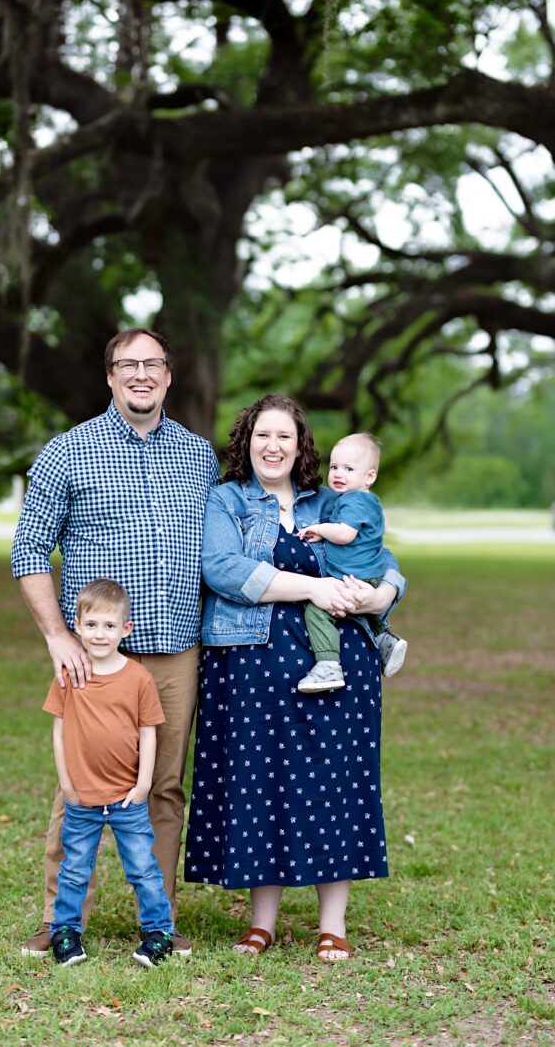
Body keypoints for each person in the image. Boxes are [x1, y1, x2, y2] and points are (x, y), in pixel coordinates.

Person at [12, 327, 220, 958]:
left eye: (152, 364)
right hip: (98, 657)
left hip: (178, 650)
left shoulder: (200, 456)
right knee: (78, 782)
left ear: (168, 375)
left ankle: (157, 921)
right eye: (127, 364)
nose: (140, 375)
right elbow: (28, 550)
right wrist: (56, 636)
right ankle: (57, 917)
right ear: (109, 376)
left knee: (162, 785)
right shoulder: (67, 453)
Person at [184, 394, 405, 961]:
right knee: (264, 783)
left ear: (300, 445)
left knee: (338, 782)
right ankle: (263, 923)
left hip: (336, 663)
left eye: (284, 436)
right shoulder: (226, 499)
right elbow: (223, 569)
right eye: (263, 435)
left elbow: (384, 558)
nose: (273, 446)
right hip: (252, 660)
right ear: (246, 442)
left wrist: (381, 594)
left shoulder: (331, 501)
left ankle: (334, 925)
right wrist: (313, 587)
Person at [44, 578, 174, 969]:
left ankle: (159, 932)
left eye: (110, 626)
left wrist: (143, 784)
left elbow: (148, 732)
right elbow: (59, 730)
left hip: (126, 798)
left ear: (125, 629)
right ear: (78, 627)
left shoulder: (138, 678)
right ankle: (65, 932)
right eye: (92, 625)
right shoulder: (69, 674)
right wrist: (66, 783)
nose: (100, 634)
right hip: (82, 796)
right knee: (74, 868)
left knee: (142, 868)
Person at [296, 432, 408, 694]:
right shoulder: (365, 500)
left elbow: (345, 534)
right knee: (361, 610)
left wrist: (322, 528)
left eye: (348, 468)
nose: (338, 473)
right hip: (367, 573)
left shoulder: (354, 500)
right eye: (334, 466)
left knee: (317, 611)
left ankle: (328, 664)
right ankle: (384, 640)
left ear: (369, 476)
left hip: (354, 576)